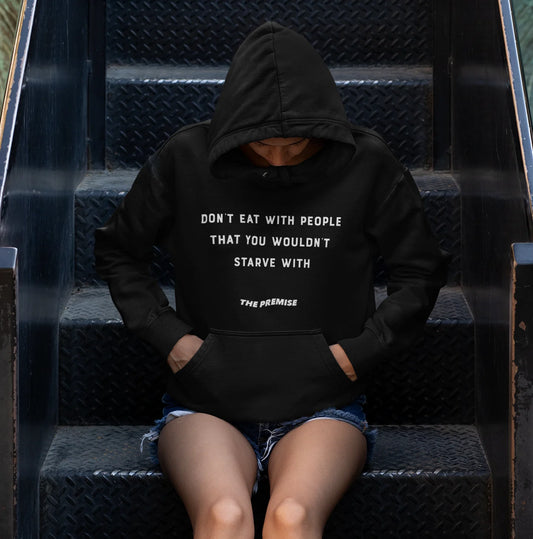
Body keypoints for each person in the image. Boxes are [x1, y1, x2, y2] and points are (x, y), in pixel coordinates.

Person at [95, 21, 447, 539]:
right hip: (204, 403)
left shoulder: (366, 163)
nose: (279, 158)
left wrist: (360, 352)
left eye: (296, 143)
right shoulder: (185, 159)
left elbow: (420, 271)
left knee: (291, 518)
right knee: (225, 517)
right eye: (262, 146)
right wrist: (173, 341)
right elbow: (119, 250)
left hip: (323, 405)